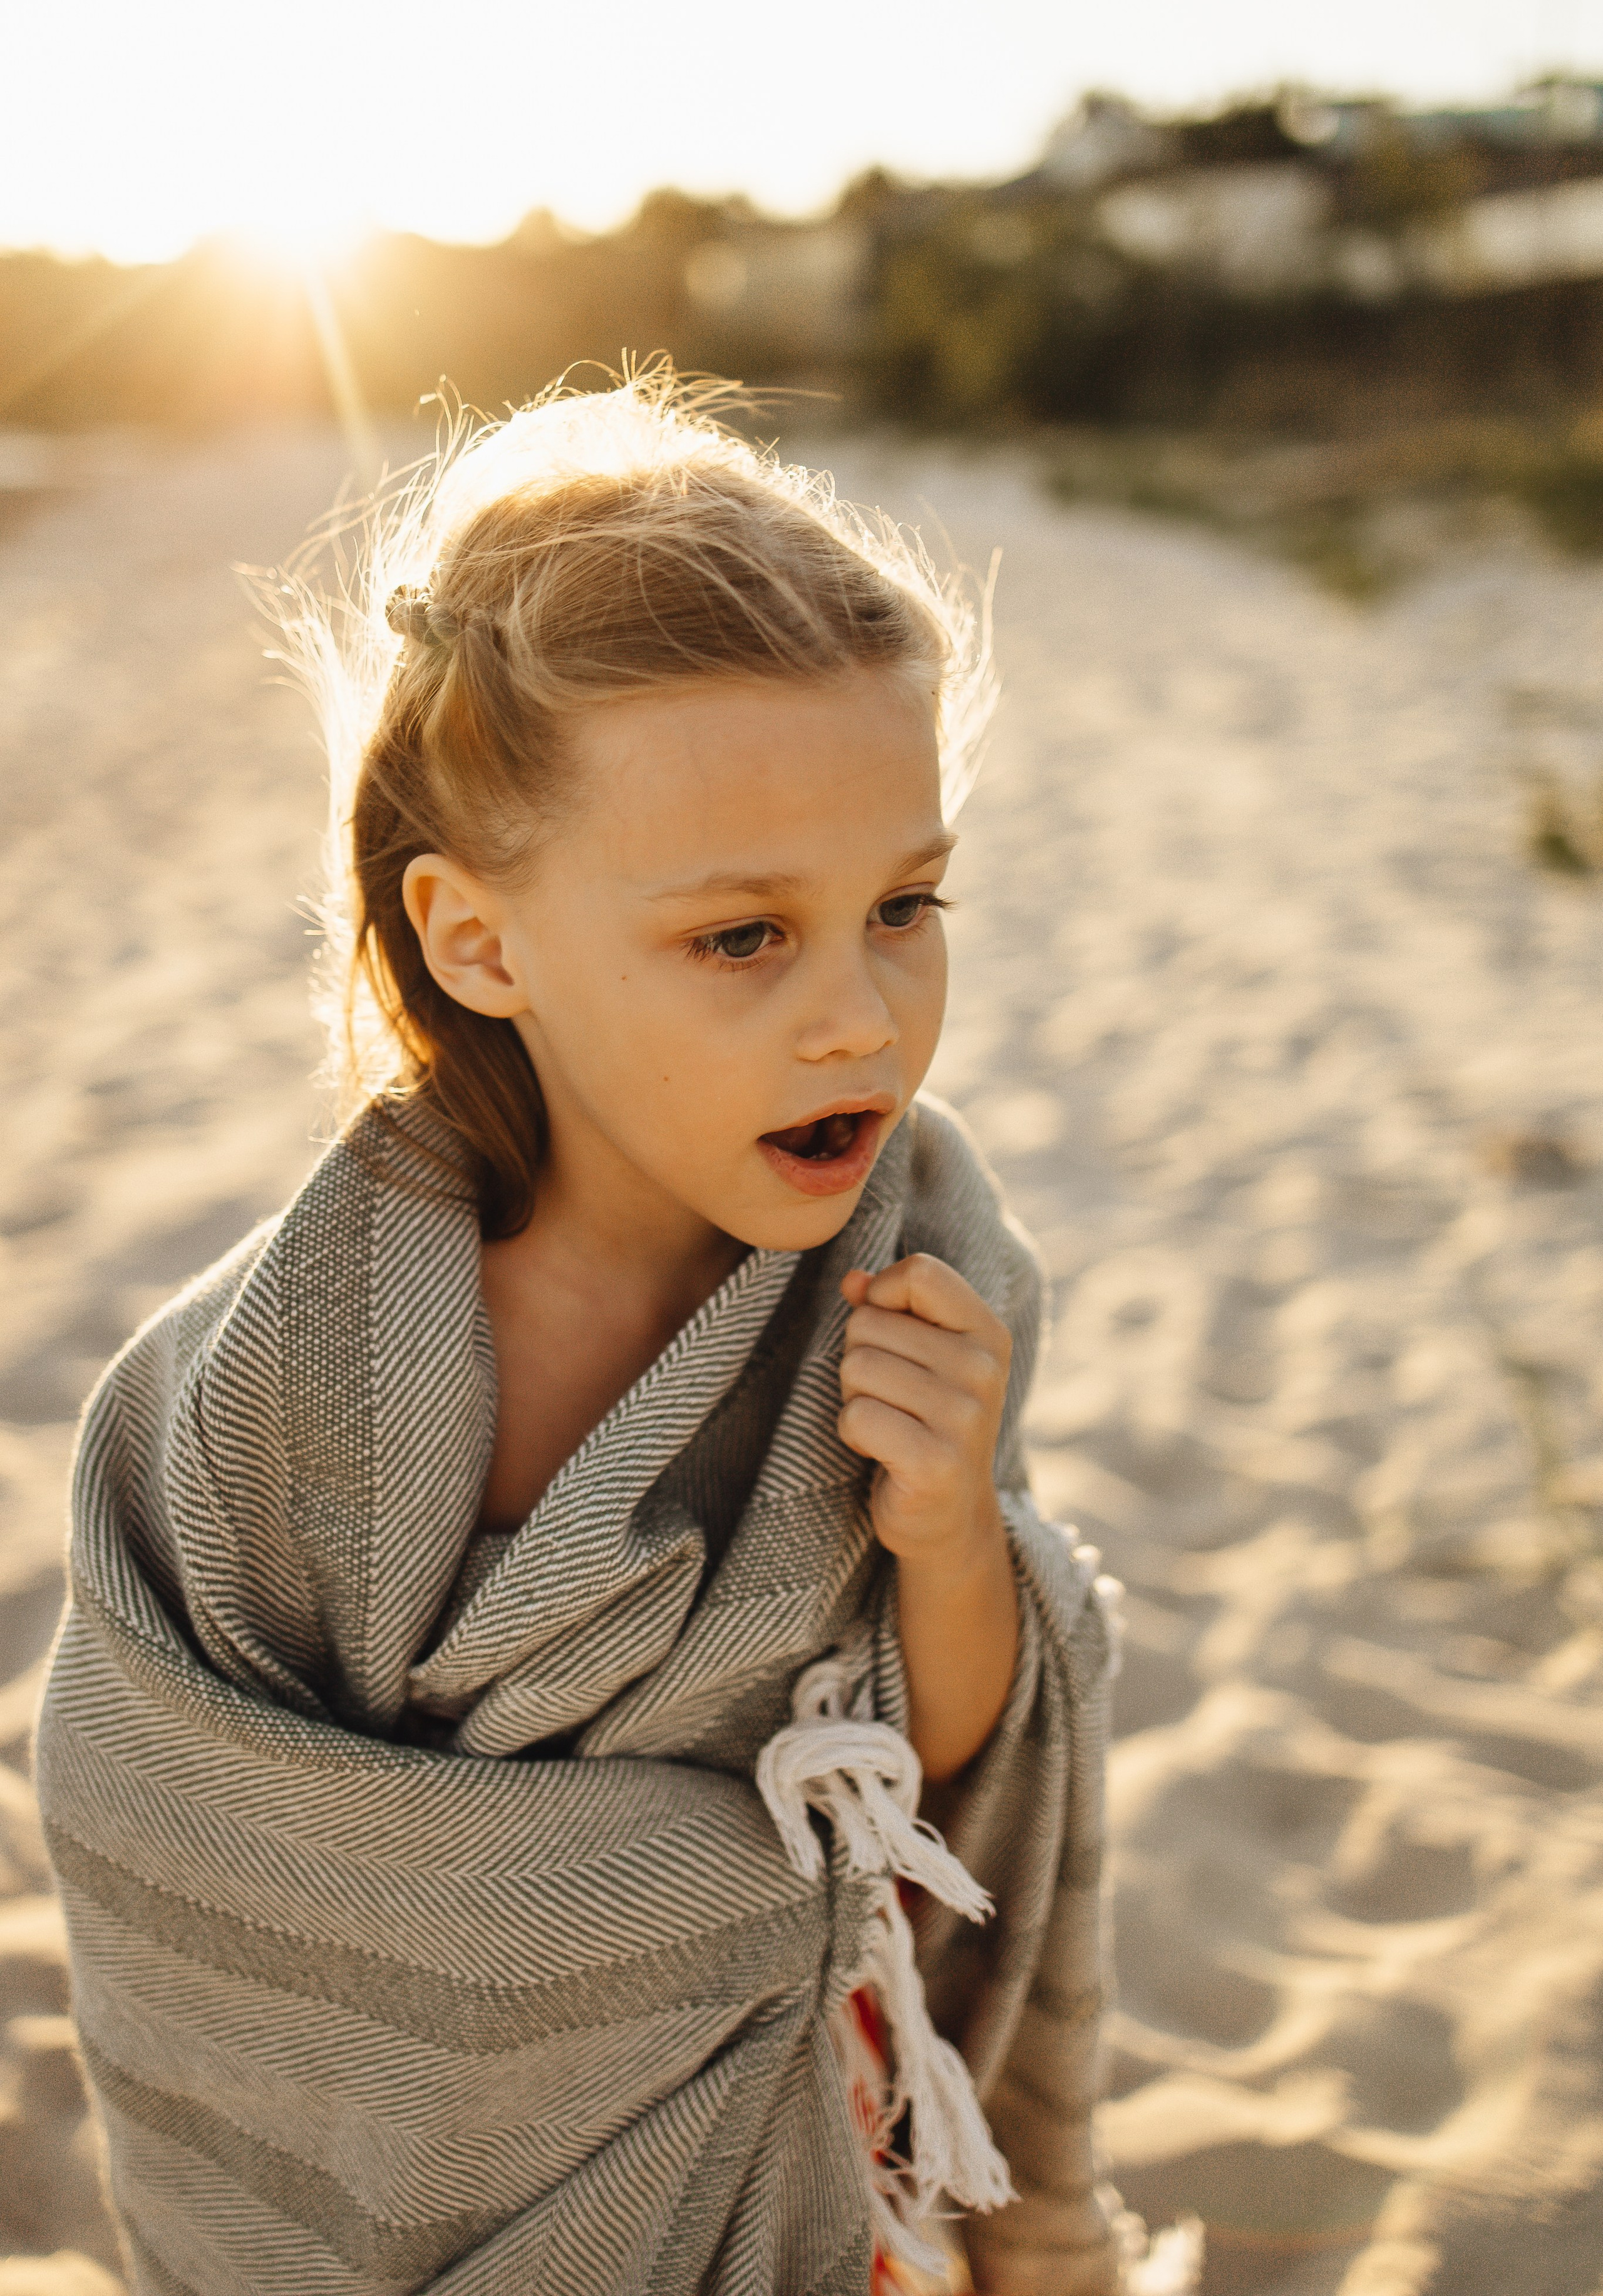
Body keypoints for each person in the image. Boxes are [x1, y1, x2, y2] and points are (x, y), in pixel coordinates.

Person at [37, 373, 1153, 2296]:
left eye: (905, 905)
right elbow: (207, 1877)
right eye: (744, 938)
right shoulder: (288, 1397)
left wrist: (959, 1538)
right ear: (481, 942)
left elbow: (949, 1775)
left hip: (813, 2164)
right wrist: (637, 1914)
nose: (860, 1022)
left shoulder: (924, 1262)